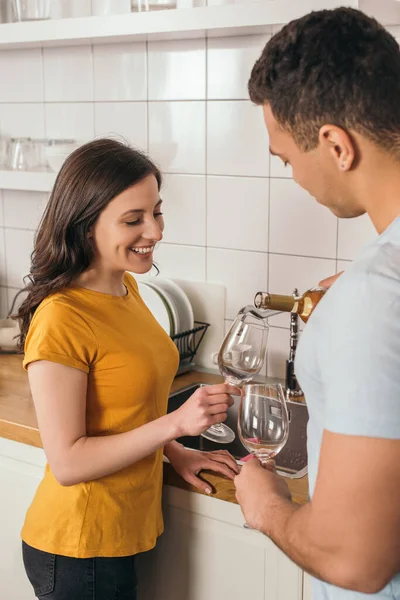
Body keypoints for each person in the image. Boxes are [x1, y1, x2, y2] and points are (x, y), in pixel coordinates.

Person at [16, 138, 239, 600]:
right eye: (133, 220)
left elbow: (125, 412)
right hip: (80, 548)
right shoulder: (62, 316)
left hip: (119, 533)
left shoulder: (126, 290)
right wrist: (176, 423)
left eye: (156, 212)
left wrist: (176, 450)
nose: (154, 231)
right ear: (85, 227)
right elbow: (68, 462)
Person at [234, 8, 400, 599]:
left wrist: (267, 505)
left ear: (335, 144)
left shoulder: (376, 296)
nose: (294, 176)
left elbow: (355, 560)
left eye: (286, 159)